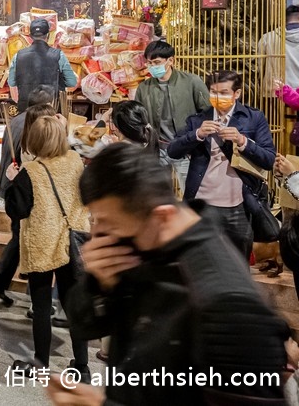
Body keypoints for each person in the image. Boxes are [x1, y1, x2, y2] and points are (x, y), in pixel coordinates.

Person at [50, 143, 289, 406]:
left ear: (162, 216)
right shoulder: (145, 242)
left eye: (109, 224)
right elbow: (85, 325)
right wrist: (97, 284)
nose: (98, 237)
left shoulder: (229, 304)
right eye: (96, 221)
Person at [4, 115, 90, 375]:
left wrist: (11, 181)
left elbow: (17, 210)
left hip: (43, 242)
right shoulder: (76, 161)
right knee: (73, 304)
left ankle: (41, 362)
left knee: (41, 306)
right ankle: (82, 367)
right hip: (74, 241)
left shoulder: (31, 172)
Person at [167, 70, 275, 259]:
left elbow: (268, 159)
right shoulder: (198, 120)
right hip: (201, 203)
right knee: (201, 261)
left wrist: (243, 141)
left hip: (240, 204)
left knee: (238, 260)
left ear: (237, 93)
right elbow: (173, 151)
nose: (218, 97)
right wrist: (197, 134)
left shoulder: (253, 118)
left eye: (224, 92)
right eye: (213, 92)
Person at [0, 88, 57, 305]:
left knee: (19, 234)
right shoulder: (39, 126)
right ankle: (0, 281)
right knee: (21, 236)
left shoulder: (16, 120)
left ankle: (8, 278)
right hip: (22, 188)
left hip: (11, 184)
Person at [135, 40, 210, 191]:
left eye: (156, 62)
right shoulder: (144, 88)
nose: (153, 67)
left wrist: (196, 139)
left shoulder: (191, 81)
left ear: (171, 60)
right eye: (149, 63)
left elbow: (207, 112)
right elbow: (139, 118)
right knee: (159, 195)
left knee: (193, 193)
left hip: (186, 149)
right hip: (158, 149)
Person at [8, 19, 77, 112]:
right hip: (50, 113)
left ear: (31, 36)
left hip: (26, 112)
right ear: (48, 36)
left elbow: (12, 83)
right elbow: (72, 82)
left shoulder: (18, 56)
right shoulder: (58, 55)